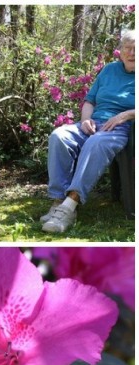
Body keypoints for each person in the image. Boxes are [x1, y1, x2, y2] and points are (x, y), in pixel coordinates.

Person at [41, 30, 135, 233]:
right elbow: (90, 100)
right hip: (93, 122)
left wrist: (125, 115)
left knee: (96, 143)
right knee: (59, 136)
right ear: (120, 50)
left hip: (119, 128)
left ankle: (70, 205)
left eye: (136, 49)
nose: (132, 52)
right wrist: (85, 120)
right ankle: (58, 201)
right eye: (127, 47)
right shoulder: (109, 70)